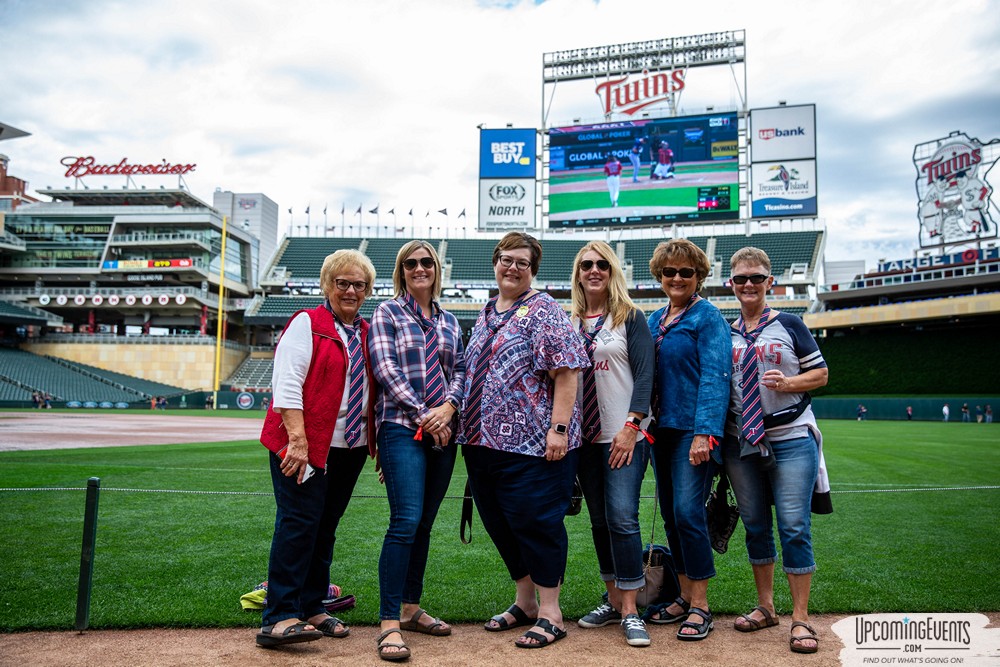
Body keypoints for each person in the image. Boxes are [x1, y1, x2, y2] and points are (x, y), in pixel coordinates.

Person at [457, 232, 589, 650]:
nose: (512, 267)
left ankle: (552, 612)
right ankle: (525, 602)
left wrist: (560, 428)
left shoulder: (543, 308)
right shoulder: (485, 312)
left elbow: (567, 371)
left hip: (532, 444)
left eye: (522, 262)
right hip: (480, 442)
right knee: (499, 523)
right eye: (506, 259)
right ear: (494, 262)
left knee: (537, 523)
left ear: (533, 270)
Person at [256, 249, 378, 649]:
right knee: (298, 523)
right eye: (342, 283)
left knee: (325, 526)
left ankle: (312, 606)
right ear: (327, 285)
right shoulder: (307, 323)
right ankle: (278, 616)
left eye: (359, 285)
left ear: (367, 291)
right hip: (306, 444)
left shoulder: (365, 331)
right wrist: (297, 440)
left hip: (349, 445)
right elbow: (287, 384)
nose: (350, 291)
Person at [723, 247, 830, 655]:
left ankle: (800, 617)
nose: (748, 284)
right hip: (742, 440)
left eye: (756, 277)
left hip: (790, 436)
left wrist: (788, 384)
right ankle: (766, 607)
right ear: (731, 284)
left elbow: (820, 373)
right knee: (754, 524)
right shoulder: (727, 330)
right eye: (741, 278)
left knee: (794, 525)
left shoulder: (789, 323)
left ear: (770, 282)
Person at [369, 241, 466, 661]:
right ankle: (390, 621)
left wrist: (448, 408)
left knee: (424, 524)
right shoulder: (387, 312)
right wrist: (427, 414)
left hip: (443, 429)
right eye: (411, 263)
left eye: (427, 262)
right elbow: (384, 368)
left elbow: (460, 370)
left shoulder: (449, 321)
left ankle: (411, 608)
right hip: (401, 427)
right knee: (405, 521)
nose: (419, 268)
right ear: (402, 271)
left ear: (436, 269)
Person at [641, 239, 732, 641]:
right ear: (659, 276)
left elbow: (716, 376)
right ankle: (681, 596)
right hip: (659, 432)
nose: (677, 278)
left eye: (686, 272)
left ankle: (701, 605)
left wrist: (705, 434)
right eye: (669, 272)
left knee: (687, 513)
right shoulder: (653, 319)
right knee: (674, 515)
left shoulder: (708, 317)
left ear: (699, 277)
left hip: (692, 433)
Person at [569, 241, 655, 647]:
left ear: (613, 270)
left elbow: (646, 376)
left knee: (622, 517)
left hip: (622, 435)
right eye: (586, 264)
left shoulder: (631, 317)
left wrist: (631, 426)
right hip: (583, 439)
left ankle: (632, 609)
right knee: (599, 521)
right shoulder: (567, 320)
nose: (594, 270)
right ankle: (613, 596)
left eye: (602, 264)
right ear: (578, 272)